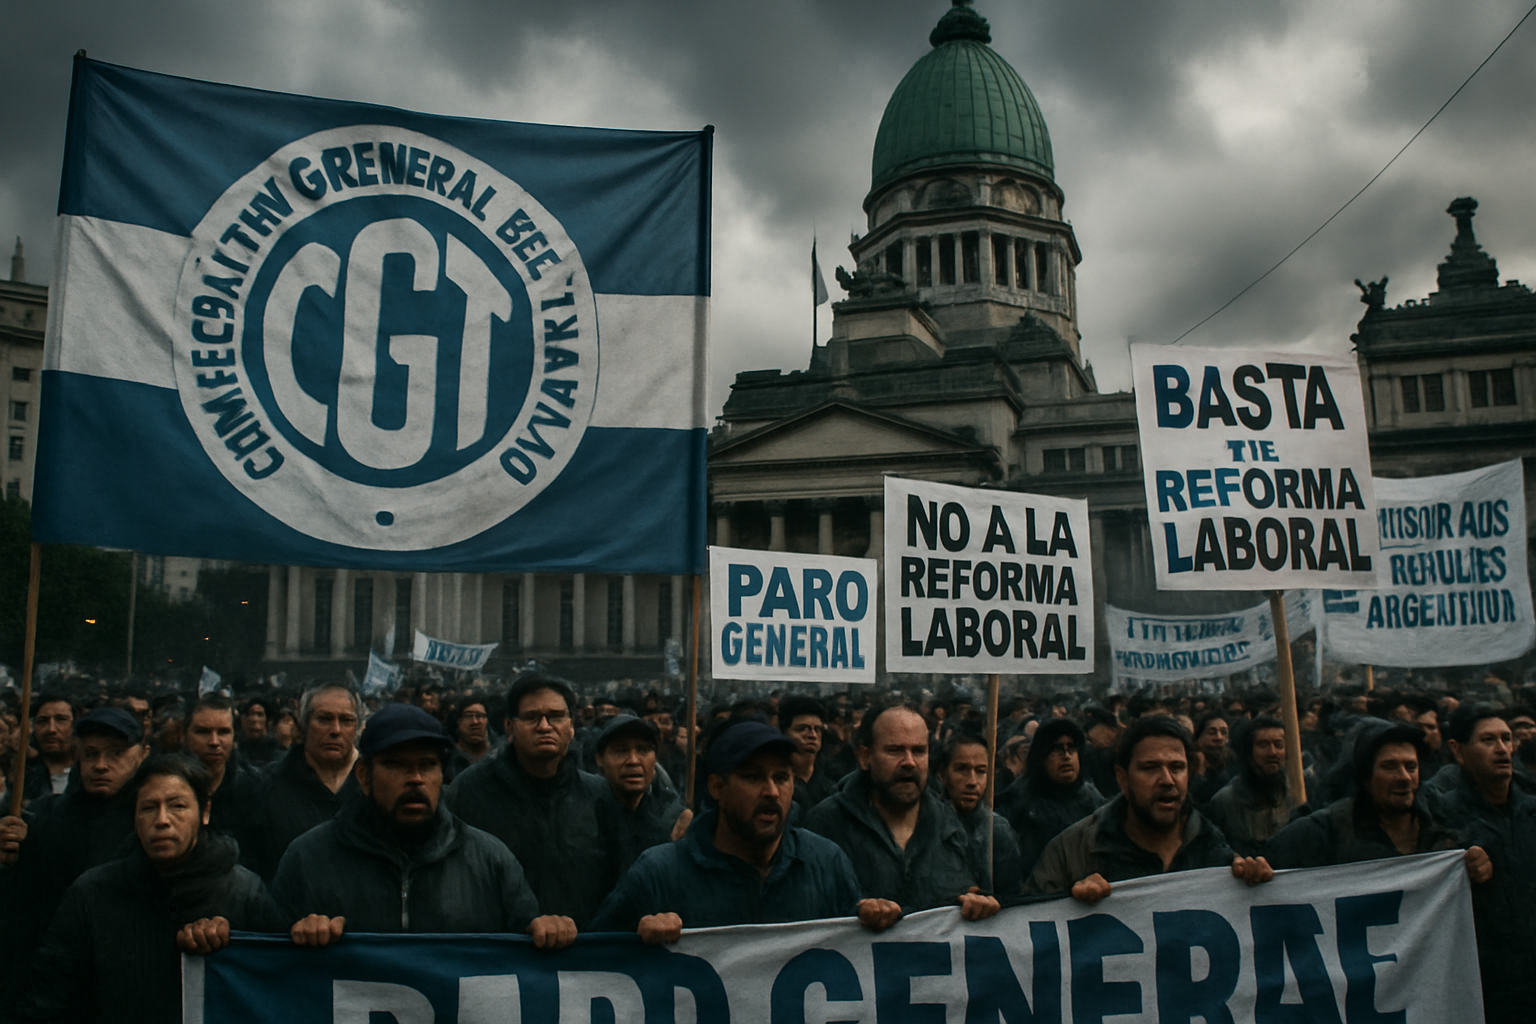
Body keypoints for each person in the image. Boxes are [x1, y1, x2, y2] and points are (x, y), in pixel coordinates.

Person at [273, 704, 574, 948]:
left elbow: (528, 954)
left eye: (427, 765)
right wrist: (298, 934)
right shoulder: (308, 859)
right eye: (396, 765)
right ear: (364, 776)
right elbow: (263, 967)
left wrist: (546, 932)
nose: (415, 779)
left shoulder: (491, 860)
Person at [16, 754, 281, 1023]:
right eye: (149, 808)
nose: (162, 820)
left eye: (177, 806)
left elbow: (274, 992)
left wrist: (232, 943)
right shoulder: (93, 893)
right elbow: (49, 999)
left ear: (205, 812)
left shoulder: (242, 891)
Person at [590, 721, 895, 939]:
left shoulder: (826, 863)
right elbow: (592, 964)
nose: (772, 792)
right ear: (717, 787)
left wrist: (874, 916)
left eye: (782, 777)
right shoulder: (658, 873)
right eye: (753, 778)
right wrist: (637, 937)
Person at [0, 708, 150, 1013]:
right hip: (57, 985)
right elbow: (20, 908)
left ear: (142, 755)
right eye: (91, 754)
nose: (101, 765)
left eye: (115, 754)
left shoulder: (153, 820)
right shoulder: (45, 819)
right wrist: (8, 858)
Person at [1024, 716, 1273, 901]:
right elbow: (1030, 934)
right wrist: (1069, 903)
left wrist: (1257, 886)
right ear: (1123, 778)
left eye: (1177, 767)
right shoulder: (1072, 854)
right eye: (1150, 768)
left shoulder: (1215, 851)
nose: (1167, 780)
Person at [446, 673, 615, 926]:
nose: (545, 726)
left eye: (556, 717)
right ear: (509, 727)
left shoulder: (600, 795)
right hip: (502, 950)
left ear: (571, 726)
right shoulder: (470, 791)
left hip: (581, 951)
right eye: (532, 717)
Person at [803, 704, 998, 917]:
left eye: (919, 751)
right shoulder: (826, 824)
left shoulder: (952, 827)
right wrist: (856, 911)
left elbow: (975, 892)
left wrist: (976, 902)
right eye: (895, 751)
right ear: (865, 757)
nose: (909, 762)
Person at [1420, 704, 1536, 1024]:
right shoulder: (1439, 814)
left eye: (1506, 738)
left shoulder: (1531, 810)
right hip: (1484, 990)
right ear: (1458, 751)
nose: (1502, 749)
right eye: (1488, 740)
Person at [1267, 722, 1486, 872]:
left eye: (1411, 767)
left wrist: (1482, 865)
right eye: (1389, 766)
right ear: (1365, 776)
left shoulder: (1449, 822)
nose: (1404, 778)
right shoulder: (1323, 833)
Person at [248, 684, 363, 878]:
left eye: (346, 720)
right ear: (304, 725)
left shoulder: (376, 786)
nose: (336, 730)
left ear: (357, 728)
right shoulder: (267, 786)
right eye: (324, 719)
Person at [998, 718, 1106, 882]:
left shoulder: (1093, 801)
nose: (1066, 756)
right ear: (1041, 757)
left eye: (1071, 748)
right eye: (1056, 749)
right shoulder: (1018, 802)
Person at [591, 714, 688, 871]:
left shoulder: (674, 818)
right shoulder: (585, 814)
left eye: (643, 750)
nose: (633, 761)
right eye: (621, 751)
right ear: (599, 759)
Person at [935, 732, 1024, 895]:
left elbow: (1011, 895)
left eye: (981, 771)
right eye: (962, 769)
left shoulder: (997, 829)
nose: (973, 781)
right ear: (942, 774)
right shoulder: (927, 823)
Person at [183, 696, 264, 861]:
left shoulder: (255, 789)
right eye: (203, 732)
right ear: (184, 735)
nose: (214, 742)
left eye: (223, 732)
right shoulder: (164, 787)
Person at [1202, 715, 1292, 857]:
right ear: (1249, 752)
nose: (1273, 752)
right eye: (1263, 745)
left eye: (1278, 745)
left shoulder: (1296, 795)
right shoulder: (1225, 802)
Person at [778, 696, 835, 820]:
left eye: (817, 729)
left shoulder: (832, 783)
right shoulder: (775, 784)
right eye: (802, 729)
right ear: (784, 732)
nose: (813, 735)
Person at [22, 693, 76, 800]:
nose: (51, 729)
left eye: (61, 720)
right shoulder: (22, 777)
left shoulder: (90, 774)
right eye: (43, 721)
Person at [443, 696, 495, 782]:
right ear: (458, 721)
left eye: (480, 716)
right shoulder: (447, 759)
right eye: (468, 716)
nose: (475, 722)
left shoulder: (498, 756)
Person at [1189, 712, 1230, 803]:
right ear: (1199, 738)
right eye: (1212, 732)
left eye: (1224, 732)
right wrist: (1199, 773)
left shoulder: (1233, 764)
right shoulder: (1188, 766)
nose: (1219, 737)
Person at [237, 697, 280, 769]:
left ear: (268, 721)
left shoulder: (277, 753)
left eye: (259, 715)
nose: (254, 719)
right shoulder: (237, 754)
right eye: (251, 714)